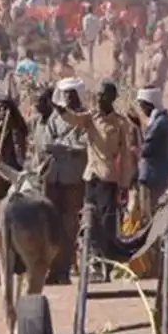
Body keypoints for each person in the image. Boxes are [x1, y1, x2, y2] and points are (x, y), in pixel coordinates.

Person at [57, 81, 129, 247]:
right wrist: (61, 110)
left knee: (107, 219)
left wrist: (124, 183)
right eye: (98, 94)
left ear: (112, 98)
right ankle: (88, 251)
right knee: (89, 215)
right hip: (91, 175)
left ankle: (106, 253)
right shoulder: (91, 117)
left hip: (108, 177)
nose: (99, 97)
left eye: (103, 94)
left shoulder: (120, 123)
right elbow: (74, 119)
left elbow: (125, 155)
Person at [37, 84, 87, 284]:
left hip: (73, 178)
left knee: (69, 227)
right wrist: (61, 146)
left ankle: (64, 270)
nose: (69, 98)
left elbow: (84, 144)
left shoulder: (84, 118)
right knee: (50, 225)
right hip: (53, 177)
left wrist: (64, 146)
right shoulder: (55, 117)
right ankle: (52, 270)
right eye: (66, 95)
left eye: (72, 95)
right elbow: (46, 142)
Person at [135, 86, 168, 218]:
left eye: (142, 106)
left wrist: (137, 132)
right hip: (162, 177)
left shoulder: (159, 123)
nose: (142, 110)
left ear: (150, 104)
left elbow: (146, 149)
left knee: (148, 215)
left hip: (151, 177)